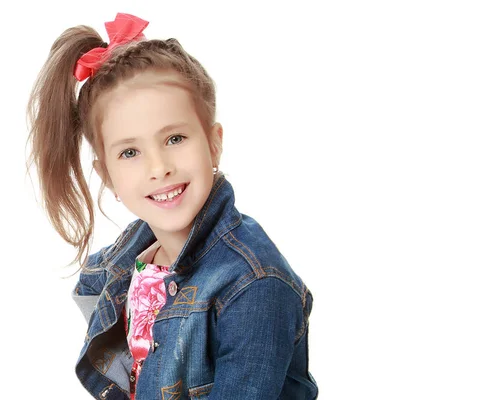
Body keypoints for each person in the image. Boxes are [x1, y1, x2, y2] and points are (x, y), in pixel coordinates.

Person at [26, 12, 318, 400]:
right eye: (130, 152)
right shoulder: (131, 257)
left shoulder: (254, 286)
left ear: (213, 142)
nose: (159, 168)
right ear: (107, 174)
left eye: (175, 138)